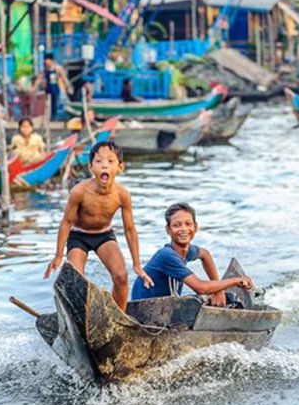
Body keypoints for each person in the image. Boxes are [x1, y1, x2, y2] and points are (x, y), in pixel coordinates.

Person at [44, 141, 152, 312]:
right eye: (99, 161)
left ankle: (118, 316)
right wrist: (58, 255)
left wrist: (137, 264)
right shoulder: (79, 191)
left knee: (121, 276)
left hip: (103, 235)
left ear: (120, 167)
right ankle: (76, 317)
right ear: (91, 167)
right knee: (75, 280)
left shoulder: (122, 195)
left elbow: (130, 230)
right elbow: (66, 222)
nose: (104, 166)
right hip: (78, 236)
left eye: (110, 161)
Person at [131, 203, 254, 306]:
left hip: (165, 307)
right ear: (168, 230)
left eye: (188, 224)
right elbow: (200, 288)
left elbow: (205, 254)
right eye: (176, 225)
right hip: (145, 311)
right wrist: (236, 280)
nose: (183, 229)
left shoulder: (186, 250)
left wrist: (218, 291)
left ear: (195, 227)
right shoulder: (167, 256)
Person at [33, 54, 71, 120]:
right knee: (47, 104)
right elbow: (40, 78)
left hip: (56, 88)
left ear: (51, 60)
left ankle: (55, 116)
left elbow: (64, 78)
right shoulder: (46, 69)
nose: (46, 62)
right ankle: (49, 116)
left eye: (47, 60)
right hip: (48, 88)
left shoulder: (58, 68)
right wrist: (34, 86)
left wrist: (68, 87)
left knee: (56, 103)